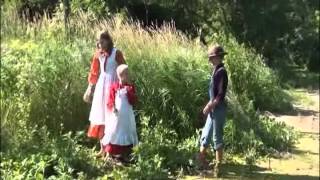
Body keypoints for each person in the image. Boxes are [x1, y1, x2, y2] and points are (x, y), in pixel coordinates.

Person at [83, 31, 126, 157]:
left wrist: (122, 85)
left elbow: (123, 68)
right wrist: (90, 87)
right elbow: (94, 71)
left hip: (113, 86)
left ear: (108, 40)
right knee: (100, 115)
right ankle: (102, 149)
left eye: (102, 41)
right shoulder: (99, 54)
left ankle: (110, 151)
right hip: (101, 86)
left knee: (111, 117)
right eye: (98, 41)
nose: (99, 43)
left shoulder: (116, 53)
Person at [199, 45, 228, 177]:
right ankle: (201, 162)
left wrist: (209, 106)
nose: (210, 60)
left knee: (217, 137)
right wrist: (210, 106)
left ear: (218, 57)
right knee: (206, 135)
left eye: (212, 58)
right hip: (213, 109)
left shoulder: (222, 71)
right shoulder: (215, 70)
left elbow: (220, 95)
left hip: (219, 108)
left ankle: (218, 168)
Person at [101, 64, 138, 163]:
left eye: (128, 73)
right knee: (114, 132)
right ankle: (109, 153)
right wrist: (113, 107)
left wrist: (129, 92)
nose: (128, 75)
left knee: (126, 131)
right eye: (126, 74)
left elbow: (133, 101)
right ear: (120, 75)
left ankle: (125, 154)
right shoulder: (114, 87)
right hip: (117, 115)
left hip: (127, 115)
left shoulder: (130, 87)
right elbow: (110, 100)